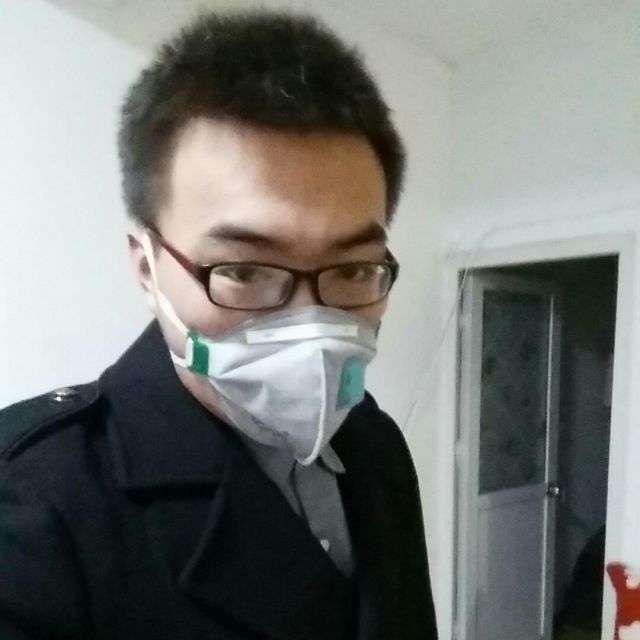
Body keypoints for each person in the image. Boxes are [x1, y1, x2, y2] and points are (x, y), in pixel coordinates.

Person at [0, 10, 438, 640]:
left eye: (352, 269)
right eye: (245, 270)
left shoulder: (376, 443)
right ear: (147, 268)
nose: (309, 321)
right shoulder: (32, 506)